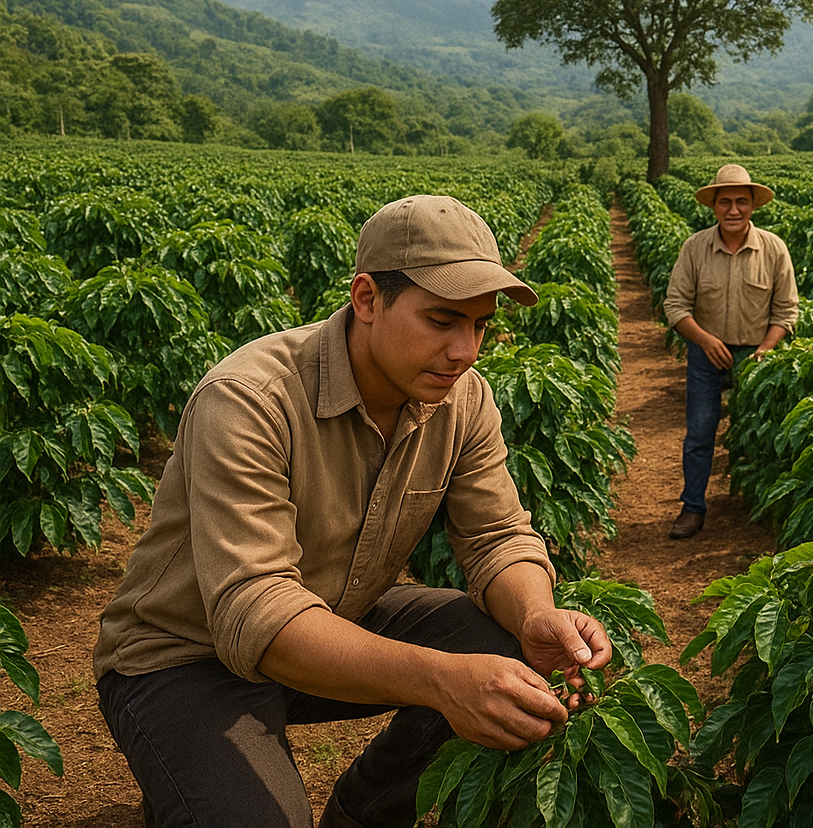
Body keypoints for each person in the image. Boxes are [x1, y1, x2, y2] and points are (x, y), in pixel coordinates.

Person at [93, 195, 613, 828]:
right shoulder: (250, 399)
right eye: (442, 320)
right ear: (367, 298)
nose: (466, 351)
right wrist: (444, 682)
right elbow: (257, 609)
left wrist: (536, 615)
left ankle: (364, 812)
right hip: (185, 657)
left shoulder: (464, 400)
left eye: (479, 326)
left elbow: (498, 537)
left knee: (506, 645)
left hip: (337, 620)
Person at [663, 163, 798, 540]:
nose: (733, 209)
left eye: (741, 201)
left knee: (757, 433)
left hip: (757, 357)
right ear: (714, 206)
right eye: (725, 202)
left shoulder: (773, 248)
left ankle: (756, 502)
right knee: (701, 432)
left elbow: (786, 311)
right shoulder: (695, 247)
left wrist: (765, 350)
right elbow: (675, 306)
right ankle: (693, 507)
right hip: (706, 354)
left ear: (753, 205)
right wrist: (705, 340)